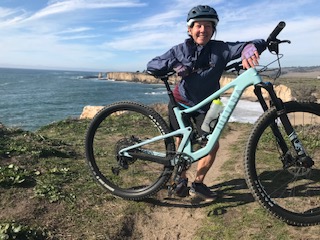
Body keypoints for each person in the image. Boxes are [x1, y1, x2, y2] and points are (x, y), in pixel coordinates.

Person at [147, 5, 267, 200]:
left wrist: (251, 47)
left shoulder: (221, 49)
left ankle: (199, 183)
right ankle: (180, 180)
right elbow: (152, 64)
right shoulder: (179, 50)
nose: (203, 30)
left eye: (208, 26)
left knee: (212, 144)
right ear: (190, 29)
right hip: (181, 103)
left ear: (213, 29)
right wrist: (176, 65)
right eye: (198, 26)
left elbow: (251, 44)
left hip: (209, 105)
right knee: (181, 143)